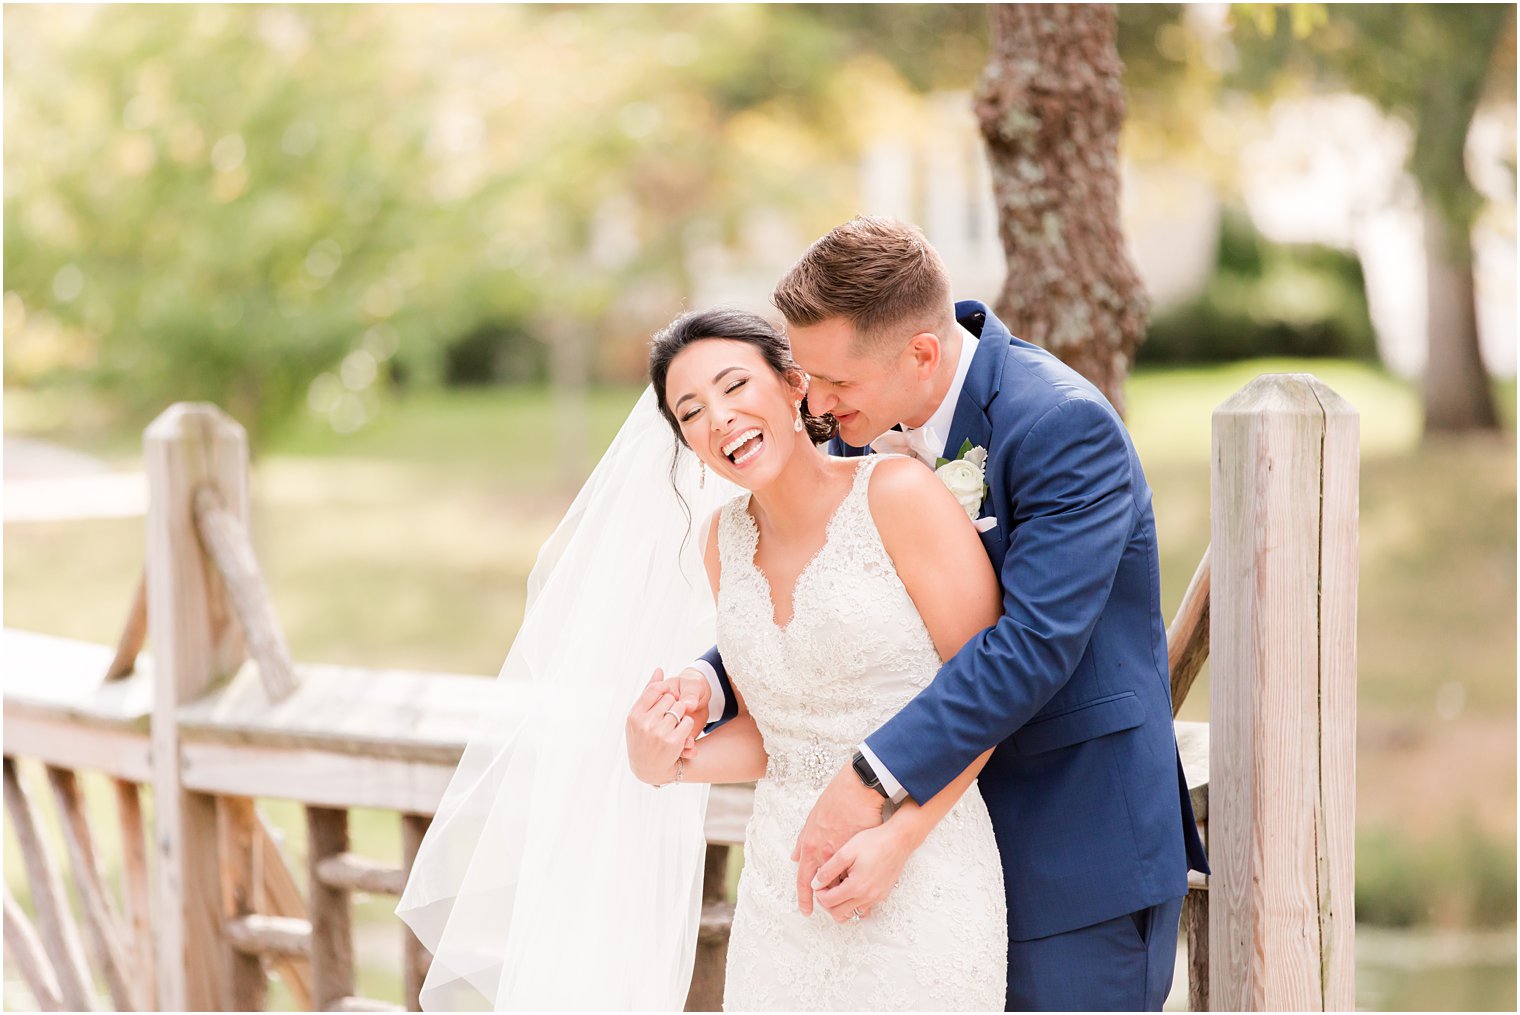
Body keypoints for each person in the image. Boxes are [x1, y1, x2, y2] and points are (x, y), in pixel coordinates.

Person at [651, 216, 1210, 1011]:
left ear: (920, 353)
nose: (816, 399)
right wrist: (711, 683)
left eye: (835, 382)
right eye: (807, 376)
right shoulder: (855, 423)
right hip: (917, 858)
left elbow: (1029, 647)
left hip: (1072, 849)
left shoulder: (1061, 426)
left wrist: (870, 774)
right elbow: (846, 615)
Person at [627, 307, 1007, 1010]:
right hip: (782, 886)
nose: (720, 418)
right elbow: (782, 734)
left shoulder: (896, 493)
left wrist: (898, 839)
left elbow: (990, 695)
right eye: (692, 411)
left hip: (921, 869)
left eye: (735, 385)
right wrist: (669, 762)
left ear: (793, 383)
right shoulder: (723, 543)